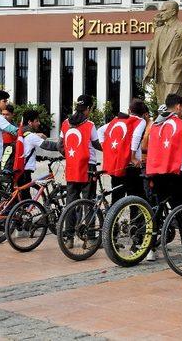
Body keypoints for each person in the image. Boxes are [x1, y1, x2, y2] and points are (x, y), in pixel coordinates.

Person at [145, 94, 182, 262]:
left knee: (157, 212)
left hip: (157, 174)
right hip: (177, 173)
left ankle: (151, 249)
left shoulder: (155, 125)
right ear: (178, 106)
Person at [59, 95, 102, 248]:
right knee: (89, 202)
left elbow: (60, 146)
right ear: (89, 108)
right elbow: (97, 145)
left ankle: (68, 239)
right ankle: (90, 239)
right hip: (88, 168)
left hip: (71, 167)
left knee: (70, 203)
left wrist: (72, 157)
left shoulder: (65, 123)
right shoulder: (90, 125)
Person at [98, 99, 149, 205]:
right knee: (135, 197)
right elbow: (136, 136)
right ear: (143, 113)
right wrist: (133, 157)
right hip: (130, 167)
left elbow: (100, 131)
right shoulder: (140, 121)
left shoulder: (118, 120)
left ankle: (112, 221)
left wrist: (106, 148)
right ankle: (136, 221)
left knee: (117, 197)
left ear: (130, 110)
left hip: (117, 164)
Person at [1, 104, 17, 174]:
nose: (4, 117)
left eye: (7, 114)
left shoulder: (15, 127)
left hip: (9, 160)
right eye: (3, 114)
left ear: (13, 114)